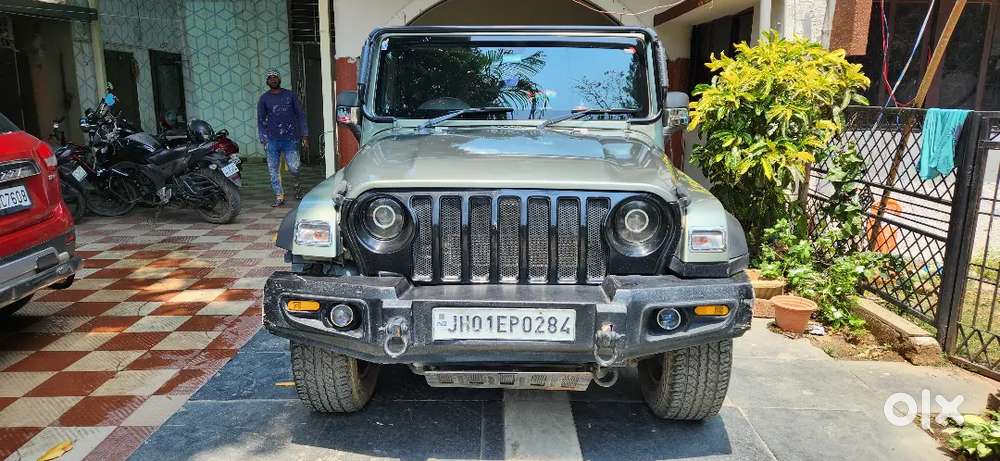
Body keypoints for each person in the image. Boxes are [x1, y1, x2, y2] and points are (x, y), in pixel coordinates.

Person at [257, 69, 308, 206]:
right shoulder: (264, 98)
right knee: (273, 170)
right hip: (272, 140)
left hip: (290, 138)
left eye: (275, 77)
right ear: (267, 81)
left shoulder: (290, 95)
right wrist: (263, 137)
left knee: (294, 167)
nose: (273, 79)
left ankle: (297, 185)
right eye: (270, 78)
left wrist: (304, 134)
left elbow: (301, 115)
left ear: (279, 80)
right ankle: (279, 196)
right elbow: (261, 119)